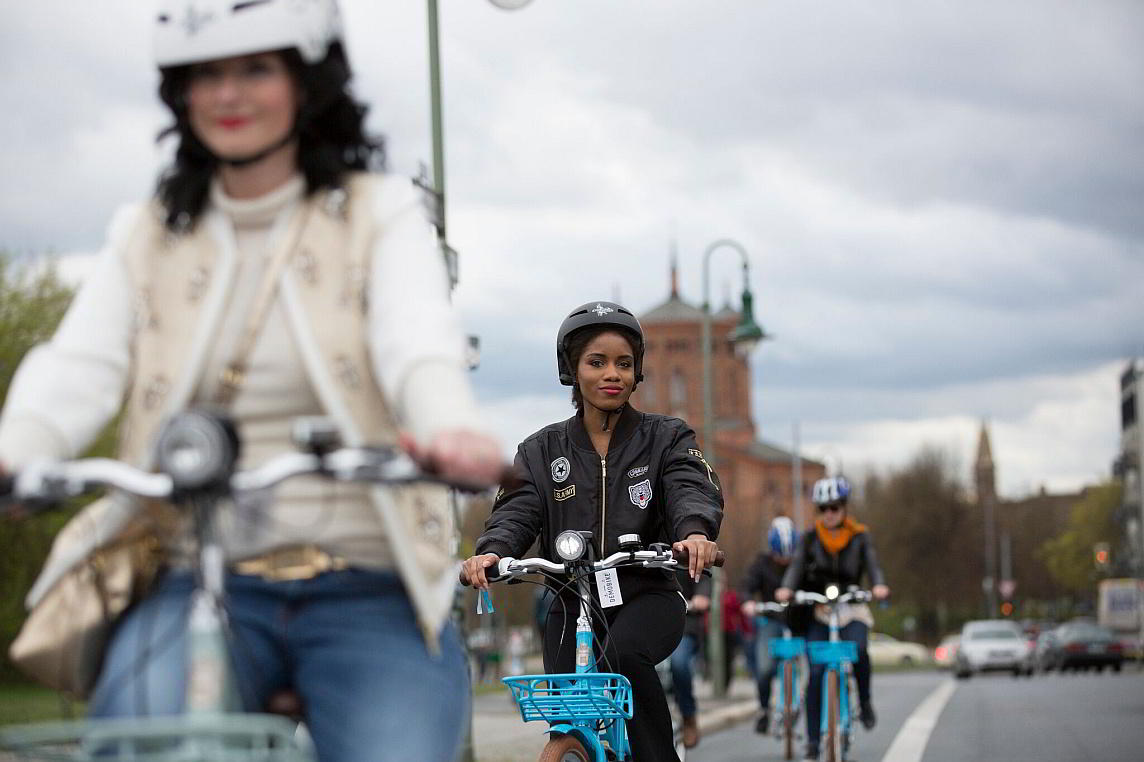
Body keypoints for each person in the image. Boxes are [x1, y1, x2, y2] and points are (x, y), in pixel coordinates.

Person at [0, 2, 502, 760]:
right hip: (199, 575)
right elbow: (80, 363)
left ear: (308, 82)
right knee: (139, 742)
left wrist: (445, 428)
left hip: (368, 579)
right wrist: (19, 447)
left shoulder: (379, 212)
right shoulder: (147, 232)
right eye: (206, 75)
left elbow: (418, 343)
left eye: (254, 70)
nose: (228, 95)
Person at [460, 301, 724, 762]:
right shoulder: (541, 449)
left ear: (637, 371)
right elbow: (517, 509)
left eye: (624, 363)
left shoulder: (667, 437)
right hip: (571, 599)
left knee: (623, 658)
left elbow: (688, 486)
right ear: (572, 370)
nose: (612, 374)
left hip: (648, 594)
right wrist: (493, 551)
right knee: (564, 705)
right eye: (596, 362)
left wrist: (695, 532)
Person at [776, 477, 890, 762]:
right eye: (823, 508)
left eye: (835, 507)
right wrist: (787, 588)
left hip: (852, 608)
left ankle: (864, 701)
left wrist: (878, 585)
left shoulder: (860, 535)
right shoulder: (809, 538)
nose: (829, 513)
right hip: (820, 611)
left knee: (859, 650)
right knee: (815, 673)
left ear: (844, 508)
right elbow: (797, 564)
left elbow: (873, 565)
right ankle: (814, 742)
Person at [741, 515, 801, 735]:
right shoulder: (761, 563)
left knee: (816, 661)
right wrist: (748, 602)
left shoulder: (801, 561)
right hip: (771, 620)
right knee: (764, 668)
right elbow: (747, 585)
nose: (784, 560)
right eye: (779, 556)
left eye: (788, 555)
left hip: (798, 621)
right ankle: (764, 709)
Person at [668, 568, 712, 748]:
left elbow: (702, 576)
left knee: (679, 663)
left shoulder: (683, 551)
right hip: (650, 620)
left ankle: (688, 714)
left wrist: (702, 596)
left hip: (685, 624)